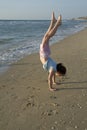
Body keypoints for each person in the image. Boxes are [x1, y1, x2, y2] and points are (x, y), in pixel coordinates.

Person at [39, 12, 66, 91]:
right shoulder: (53, 69)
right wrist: (50, 87)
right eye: (60, 75)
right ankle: (57, 23)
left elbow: (53, 76)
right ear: (59, 72)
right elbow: (49, 78)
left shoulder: (55, 67)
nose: (59, 76)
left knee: (46, 36)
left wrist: (54, 82)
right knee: (47, 36)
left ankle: (53, 21)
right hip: (44, 53)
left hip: (45, 53)